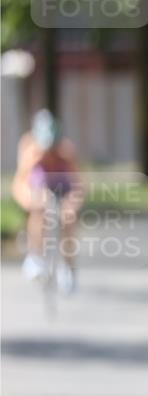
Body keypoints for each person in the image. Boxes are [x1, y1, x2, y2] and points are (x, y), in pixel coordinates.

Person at [12, 109, 83, 293]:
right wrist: (29, 201)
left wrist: (71, 205)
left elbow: (78, 185)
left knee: (68, 220)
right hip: (39, 189)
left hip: (62, 187)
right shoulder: (29, 148)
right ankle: (35, 256)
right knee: (38, 213)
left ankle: (68, 268)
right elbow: (19, 183)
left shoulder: (65, 151)